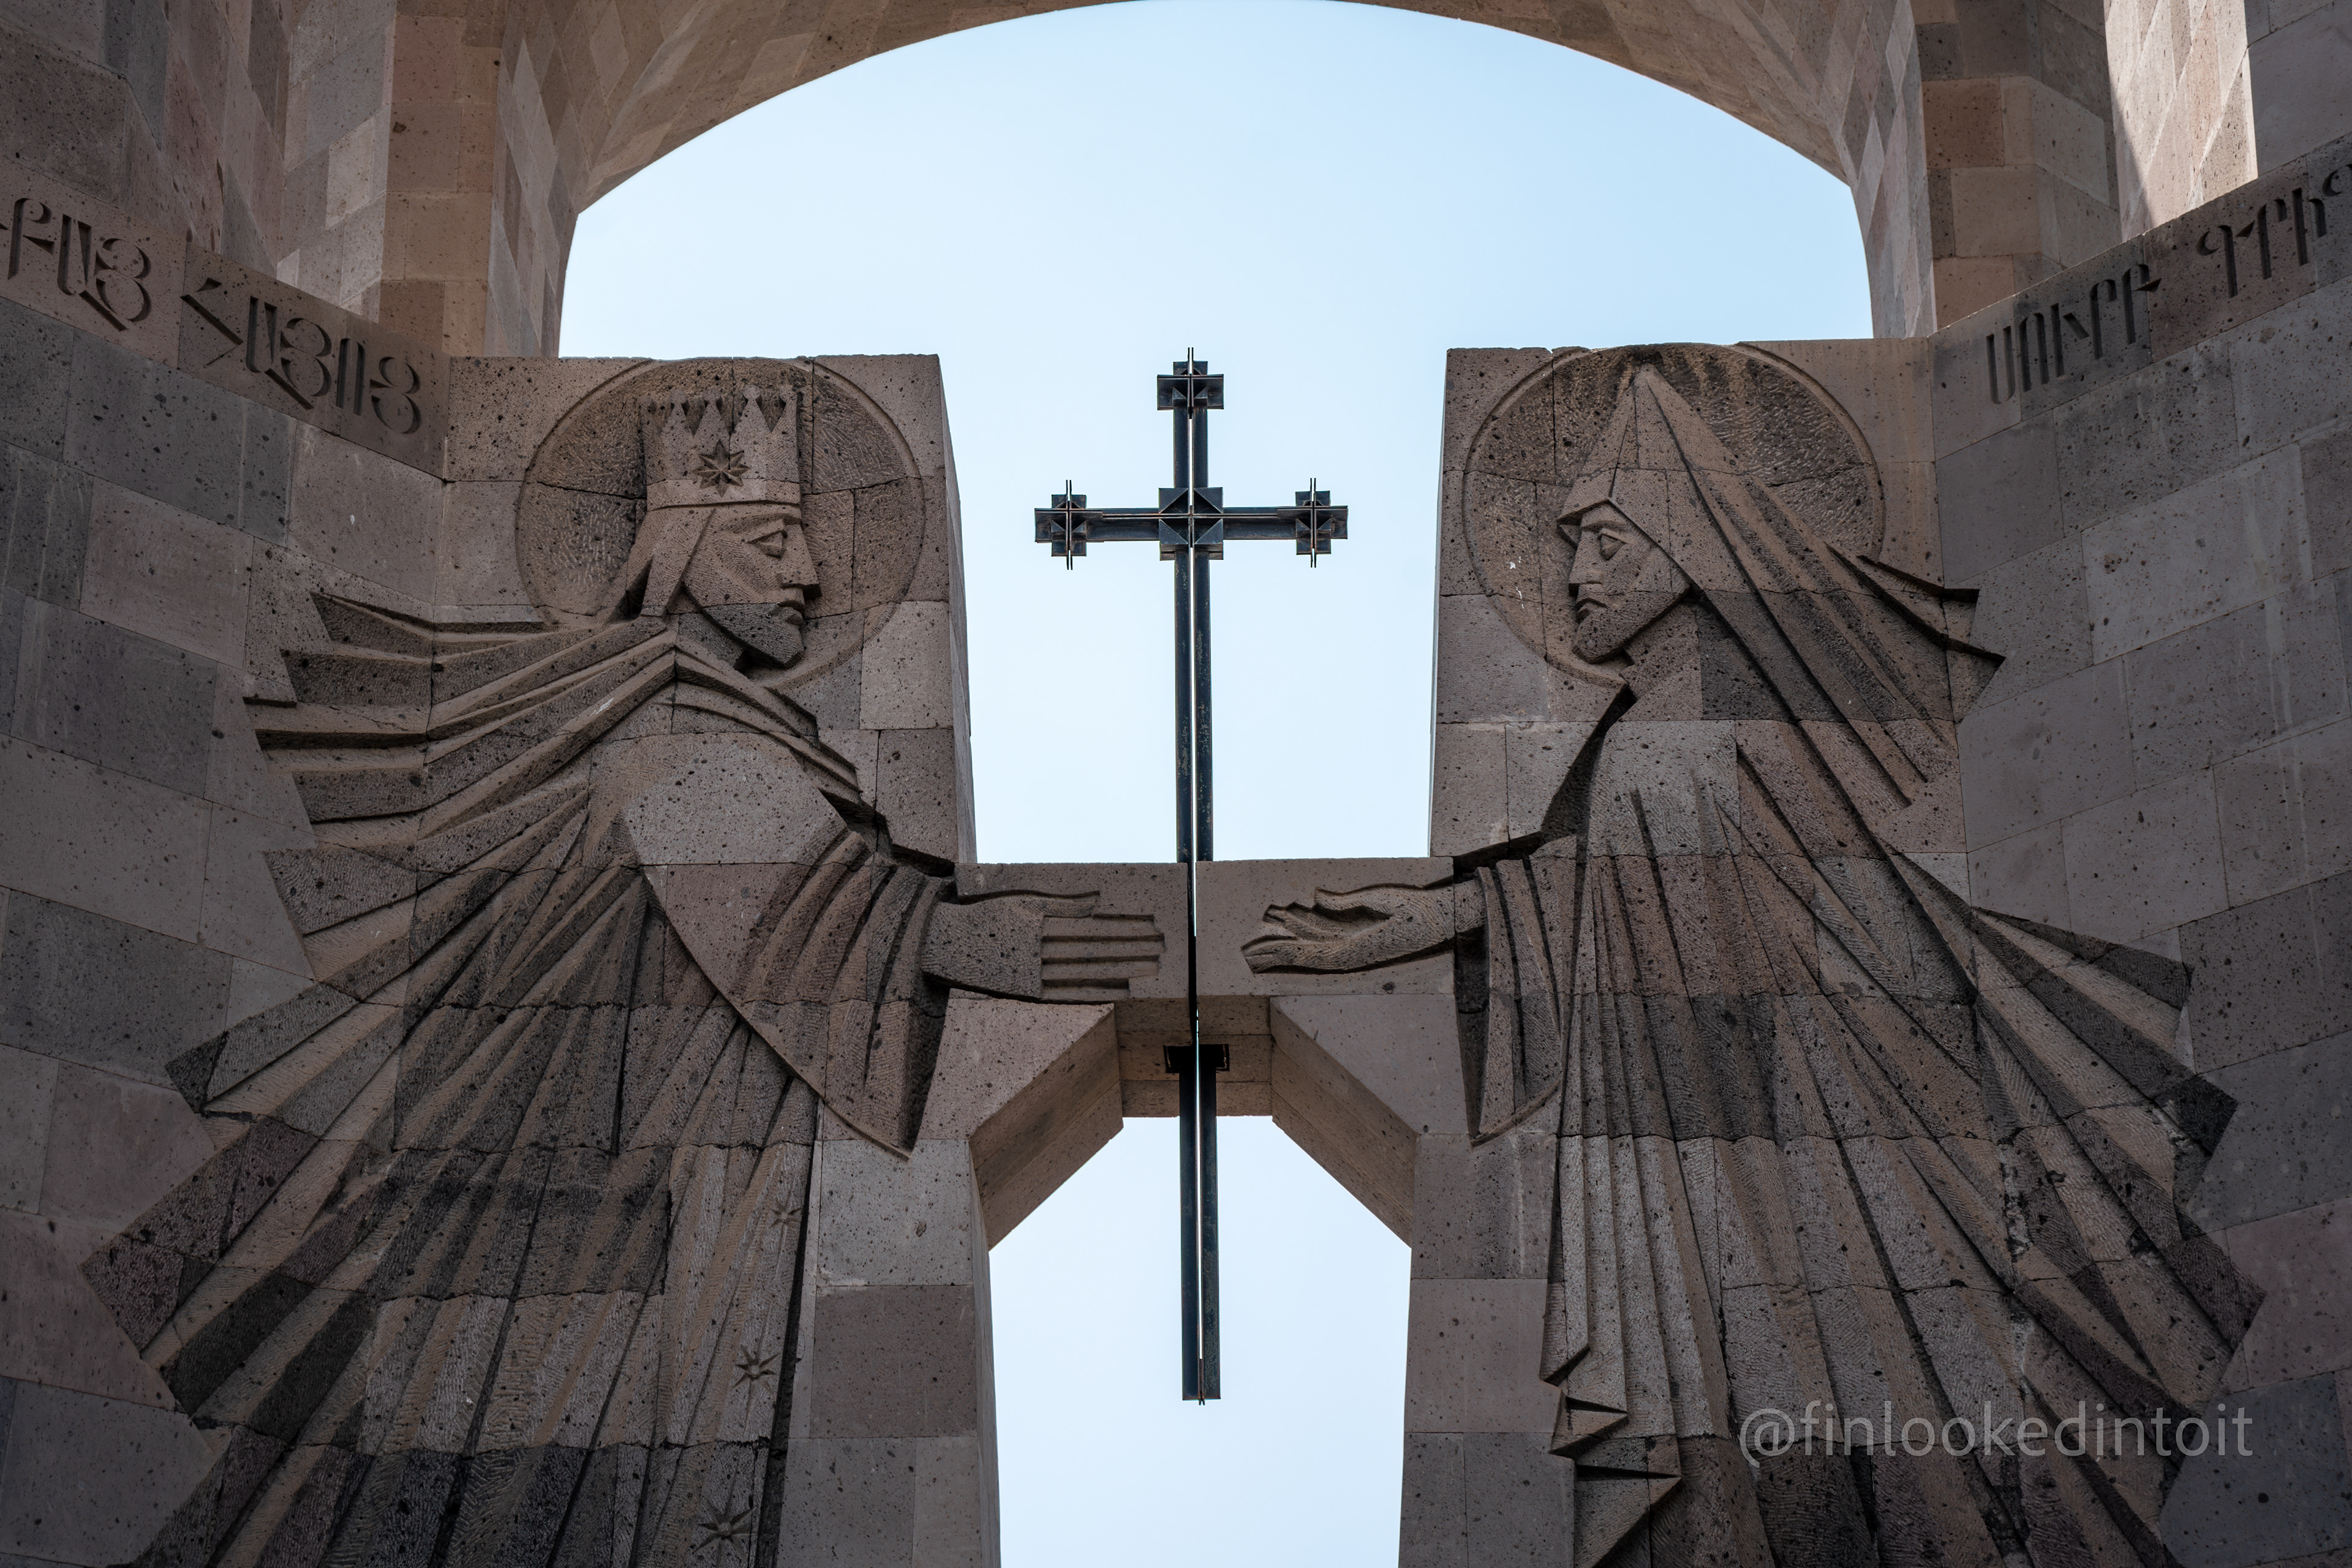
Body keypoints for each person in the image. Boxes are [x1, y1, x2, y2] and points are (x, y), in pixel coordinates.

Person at [89, 375, 1118, 1567]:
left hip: (649, 1196)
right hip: (566, 1213)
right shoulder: (665, 716)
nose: (804, 579)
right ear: (685, 546)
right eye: (774, 541)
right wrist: (974, 938)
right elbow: (785, 899)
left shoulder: (730, 726)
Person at [1248, 360, 2255, 1567]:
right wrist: (1440, 916)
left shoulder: (1719, 730)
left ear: (1683, 540)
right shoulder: (1646, 745)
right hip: (1748, 1174)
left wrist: (1452, 915)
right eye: (1573, 550)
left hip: (1853, 1164)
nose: (1575, 580)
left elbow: (1786, 922)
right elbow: (1636, 899)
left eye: (1604, 547)